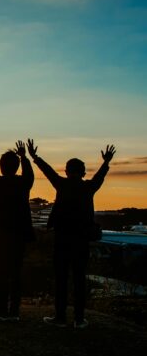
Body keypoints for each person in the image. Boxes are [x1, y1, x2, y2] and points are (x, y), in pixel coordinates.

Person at [27, 139, 116, 328]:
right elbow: (99, 177)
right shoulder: (88, 187)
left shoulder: (62, 184)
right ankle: (79, 318)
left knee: (61, 279)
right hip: (81, 240)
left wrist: (35, 157)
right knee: (79, 279)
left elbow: (48, 171)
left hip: (62, 239)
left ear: (67, 171)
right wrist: (106, 162)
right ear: (83, 172)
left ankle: (60, 317)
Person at [0, 140, 34, 321]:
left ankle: (2, 310)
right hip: (19, 234)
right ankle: (14, 311)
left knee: (2, 272)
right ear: (17, 167)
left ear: (1, 167)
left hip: (0, 235)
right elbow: (30, 175)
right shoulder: (23, 183)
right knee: (16, 272)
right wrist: (24, 157)